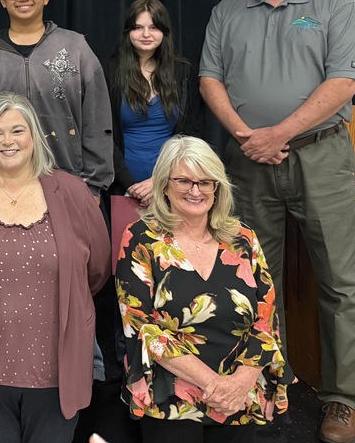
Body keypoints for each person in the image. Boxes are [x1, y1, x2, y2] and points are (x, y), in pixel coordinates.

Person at [199, 0, 355, 443]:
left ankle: (345, 402)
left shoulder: (333, 2)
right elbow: (209, 79)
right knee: (253, 281)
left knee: (342, 283)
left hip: (321, 157)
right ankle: (268, 384)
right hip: (248, 162)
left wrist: (280, 134)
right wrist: (251, 136)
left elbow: (346, 81)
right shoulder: (227, 11)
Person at [0, 92, 111, 442]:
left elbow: (97, 270)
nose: (7, 141)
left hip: (59, 373)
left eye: (17, 130)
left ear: (34, 136)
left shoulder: (71, 193)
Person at [116, 136, 290, 442]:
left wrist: (238, 384)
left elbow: (266, 320)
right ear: (165, 185)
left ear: (217, 187)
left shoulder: (243, 238)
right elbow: (141, 328)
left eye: (205, 182)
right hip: (169, 396)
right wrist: (214, 384)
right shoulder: (141, 238)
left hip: (239, 395)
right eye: (183, 180)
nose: (195, 191)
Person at [0, 0, 113, 196]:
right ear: (3, 1)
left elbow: (96, 117)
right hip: (1, 181)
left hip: (70, 178)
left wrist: (94, 184)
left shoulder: (74, 47)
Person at [107, 0, 202, 206]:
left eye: (153, 27)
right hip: (123, 186)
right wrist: (131, 185)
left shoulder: (182, 71)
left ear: (164, 32)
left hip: (173, 184)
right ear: (128, 32)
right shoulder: (110, 71)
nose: (146, 34)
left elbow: (190, 134)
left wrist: (159, 182)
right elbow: (103, 136)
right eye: (138, 27)